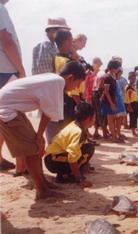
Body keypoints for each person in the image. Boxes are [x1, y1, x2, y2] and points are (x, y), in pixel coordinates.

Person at [0, 61, 87, 200]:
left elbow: (46, 110)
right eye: (76, 84)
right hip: (6, 110)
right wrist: (39, 137)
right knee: (32, 152)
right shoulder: (57, 82)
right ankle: (42, 191)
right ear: (70, 77)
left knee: (34, 148)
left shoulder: (53, 79)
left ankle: (43, 184)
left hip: (12, 108)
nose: (74, 88)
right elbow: (48, 113)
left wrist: (38, 137)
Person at [0, 0, 26, 174]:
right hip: (7, 70)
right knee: (15, 119)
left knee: (2, 119)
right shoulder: (0, 8)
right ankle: (21, 166)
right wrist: (21, 69)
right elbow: (7, 41)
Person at [44, 103, 95, 187]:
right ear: (89, 119)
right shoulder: (78, 132)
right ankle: (65, 176)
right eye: (94, 117)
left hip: (52, 158)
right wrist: (79, 179)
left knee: (87, 146)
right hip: (53, 161)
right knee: (89, 148)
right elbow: (72, 156)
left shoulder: (75, 124)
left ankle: (68, 172)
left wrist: (86, 165)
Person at [100, 59, 126, 143]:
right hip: (107, 101)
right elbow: (106, 92)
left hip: (111, 100)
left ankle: (115, 136)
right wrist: (111, 103)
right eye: (117, 68)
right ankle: (114, 137)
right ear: (114, 68)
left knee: (113, 117)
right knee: (111, 119)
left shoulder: (112, 76)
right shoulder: (108, 77)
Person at [125, 71, 138, 137]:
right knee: (132, 117)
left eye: (134, 78)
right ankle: (133, 132)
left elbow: (136, 96)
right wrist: (129, 105)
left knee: (135, 117)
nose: (133, 80)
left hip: (135, 103)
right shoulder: (128, 87)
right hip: (130, 103)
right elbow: (127, 97)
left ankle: (134, 131)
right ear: (129, 78)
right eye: (132, 78)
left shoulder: (134, 86)